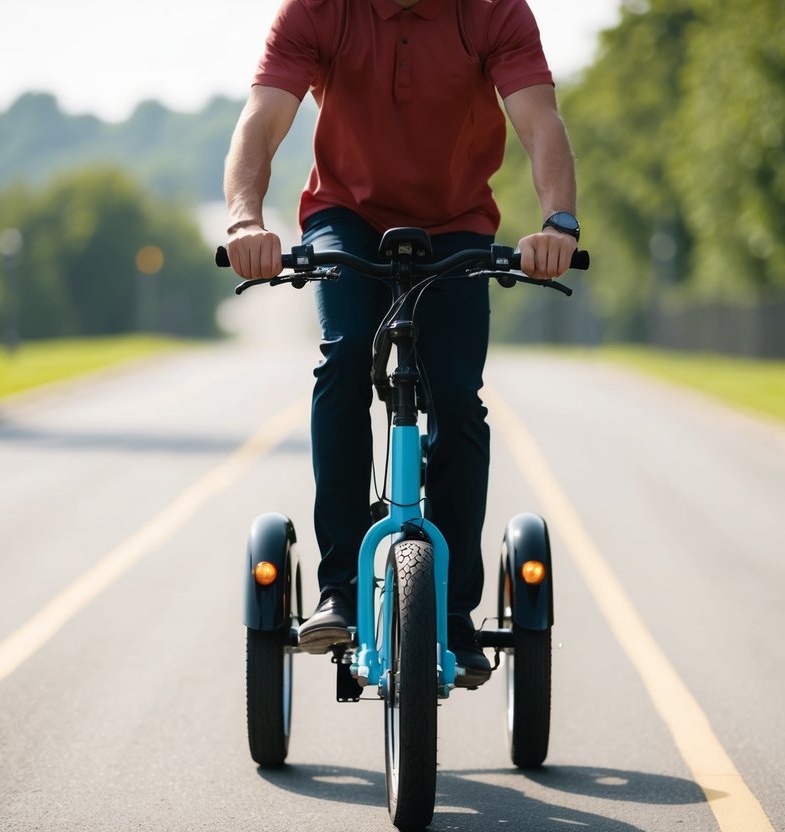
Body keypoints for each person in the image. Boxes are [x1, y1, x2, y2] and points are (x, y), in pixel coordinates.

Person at [224, 0, 579, 688]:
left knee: (456, 394)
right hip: (346, 217)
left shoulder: (494, 11)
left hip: (457, 223)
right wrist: (244, 221)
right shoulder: (318, 10)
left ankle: (454, 613)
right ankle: (339, 587)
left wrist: (557, 223)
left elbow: (540, 122)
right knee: (343, 359)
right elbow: (261, 122)